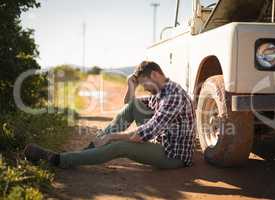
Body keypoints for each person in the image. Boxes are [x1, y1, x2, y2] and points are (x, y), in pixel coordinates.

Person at [24, 61, 196, 169]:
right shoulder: (162, 90)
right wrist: (132, 86)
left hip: (173, 155)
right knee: (135, 106)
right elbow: (129, 104)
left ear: (155, 75)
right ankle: (90, 150)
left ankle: (59, 160)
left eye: (145, 84)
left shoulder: (172, 96)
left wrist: (112, 137)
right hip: (164, 142)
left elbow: (142, 135)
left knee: (120, 146)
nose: (146, 89)